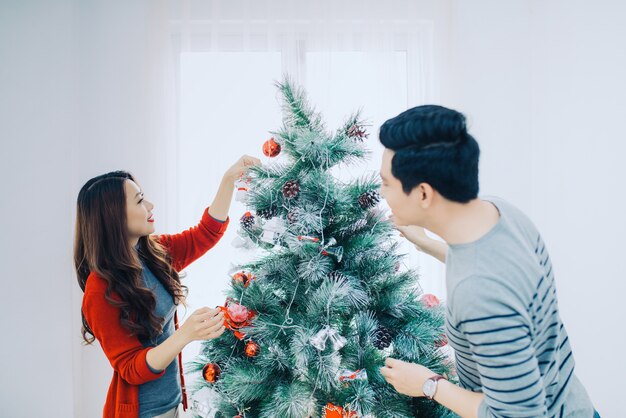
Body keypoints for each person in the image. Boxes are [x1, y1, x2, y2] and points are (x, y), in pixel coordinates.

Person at [376, 105, 598, 417]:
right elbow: (497, 272)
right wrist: (429, 245)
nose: (381, 192)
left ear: (424, 193)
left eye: (386, 183)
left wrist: (429, 384)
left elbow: (519, 416)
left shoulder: (480, 295)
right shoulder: (499, 212)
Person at [74, 155, 260, 418]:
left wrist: (228, 179)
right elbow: (130, 368)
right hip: (144, 412)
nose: (150, 205)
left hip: (173, 404)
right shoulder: (100, 288)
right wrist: (185, 335)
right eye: (139, 201)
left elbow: (205, 234)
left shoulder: (154, 252)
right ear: (113, 217)